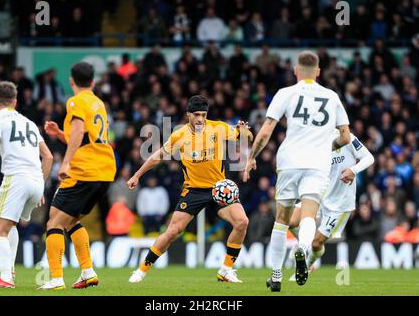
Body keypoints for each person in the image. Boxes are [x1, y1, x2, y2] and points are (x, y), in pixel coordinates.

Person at [244, 51, 350, 292]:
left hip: (289, 161)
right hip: (318, 163)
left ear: (296, 71)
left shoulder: (286, 93)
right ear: (319, 72)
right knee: (308, 216)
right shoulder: (331, 97)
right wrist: (328, 145)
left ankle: (276, 276)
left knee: (281, 221)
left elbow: (266, 129)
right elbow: (344, 136)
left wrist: (251, 157)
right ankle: (302, 248)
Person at [127, 95, 253, 283]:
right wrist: (137, 174)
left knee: (242, 221)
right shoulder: (180, 135)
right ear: (188, 115)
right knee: (172, 232)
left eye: (203, 114)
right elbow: (158, 156)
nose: (200, 119)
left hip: (218, 189)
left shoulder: (218, 128)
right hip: (193, 190)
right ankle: (141, 270)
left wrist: (244, 131)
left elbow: (247, 137)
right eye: (196, 115)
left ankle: (226, 269)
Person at [39, 62, 116, 290]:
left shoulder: (75, 101)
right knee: (71, 220)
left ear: (71, 81)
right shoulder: (97, 102)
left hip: (84, 169)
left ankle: (55, 279)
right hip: (104, 170)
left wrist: (66, 162)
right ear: (92, 81)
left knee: (53, 221)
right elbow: (85, 138)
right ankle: (88, 272)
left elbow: (80, 131)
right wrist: (60, 134)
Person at [0, 81, 53, 288]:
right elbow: (49, 157)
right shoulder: (29, 123)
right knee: (10, 225)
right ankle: (10, 272)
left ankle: (5, 277)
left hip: (17, 178)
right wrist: (41, 183)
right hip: (36, 181)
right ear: (15, 102)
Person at [287, 131, 375, 279]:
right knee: (291, 221)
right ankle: (303, 244)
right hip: (319, 195)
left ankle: (307, 266)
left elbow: (369, 158)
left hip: (339, 205)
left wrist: (353, 170)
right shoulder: (314, 139)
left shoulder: (347, 138)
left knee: (316, 244)